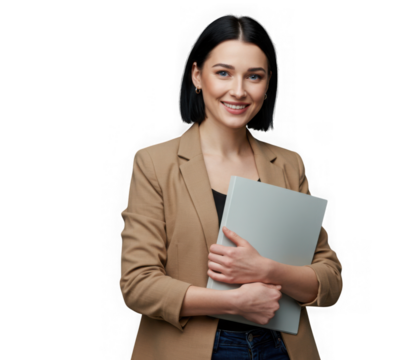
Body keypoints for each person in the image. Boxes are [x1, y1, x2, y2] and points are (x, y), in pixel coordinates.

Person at [119, 13, 343, 360]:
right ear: (197, 75)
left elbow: (329, 280)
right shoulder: (154, 163)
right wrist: (233, 302)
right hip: (191, 349)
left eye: (254, 76)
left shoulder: (288, 164)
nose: (238, 91)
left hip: (282, 348)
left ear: (267, 84)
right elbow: (137, 285)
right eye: (223, 72)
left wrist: (268, 270)